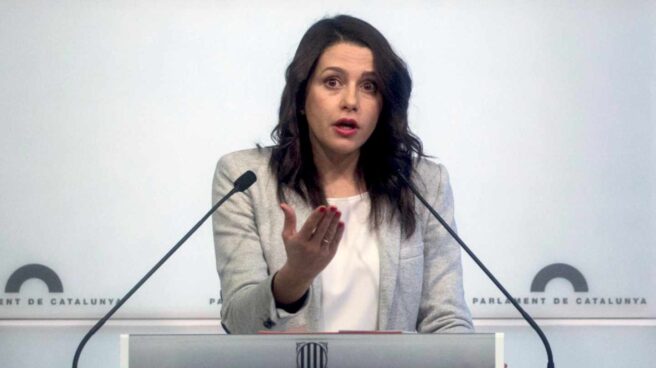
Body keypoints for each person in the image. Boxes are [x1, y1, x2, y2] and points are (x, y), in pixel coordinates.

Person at [212, 15, 473, 334]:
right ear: (302, 97)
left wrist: (470, 360)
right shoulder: (246, 180)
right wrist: (294, 277)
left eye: (369, 86)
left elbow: (446, 319)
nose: (351, 101)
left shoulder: (423, 184)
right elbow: (239, 323)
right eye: (332, 82)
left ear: (384, 102)